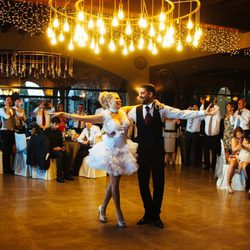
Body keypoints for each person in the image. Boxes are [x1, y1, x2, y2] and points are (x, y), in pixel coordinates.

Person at [127, 83, 217, 229]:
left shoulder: (162, 109)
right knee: (142, 183)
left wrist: (203, 113)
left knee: (158, 183)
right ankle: (148, 212)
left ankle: (155, 215)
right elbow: (122, 120)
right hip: (142, 152)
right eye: (140, 93)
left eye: (143, 92)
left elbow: (182, 113)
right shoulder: (134, 111)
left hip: (157, 152)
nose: (140, 95)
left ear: (150, 94)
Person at [54, 92, 138, 228]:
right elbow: (82, 117)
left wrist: (154, 103)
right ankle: (119, 213)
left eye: (119, 98)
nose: (120, 100)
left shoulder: (123, 110)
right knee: (115, 184)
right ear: (108, 102)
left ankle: (102, 207)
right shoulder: (104, 115)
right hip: (111, 151)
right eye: (116, 99)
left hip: (123, 150)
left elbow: (139, 105)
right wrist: (65, 114)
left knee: (114, 182)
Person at [45, 116, 74, 183]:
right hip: (50, 150)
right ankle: (59, 176)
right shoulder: (46, 132)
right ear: (51, 123)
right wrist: (54, 148)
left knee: (67, 154)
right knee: (60, 155)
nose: (57, 126)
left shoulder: (59, 132)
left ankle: (67, 174)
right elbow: (45, 145)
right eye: (55, 124)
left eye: (58, 124)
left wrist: (62, 147)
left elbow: (60, 142)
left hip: (58, 149)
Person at [226, 127, 250, 194]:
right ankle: (228, 185)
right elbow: (233, 151)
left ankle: (248, 185)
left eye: (240, 134)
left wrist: (244, 146)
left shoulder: (246, 138)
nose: (239, 135)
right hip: (235, 156)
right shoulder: (234, 139)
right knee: (233, 163)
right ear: (235, 135)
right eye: (237, 134)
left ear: (242, 133)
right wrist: (239, 146)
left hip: (244, 156)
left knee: (245, 164)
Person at [201, 97, 222, 171]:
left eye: (212, 109)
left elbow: (218, 109)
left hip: (214, 137)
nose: (211, 110)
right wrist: (203, 105)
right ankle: (206, 165)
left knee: (214, 152)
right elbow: (201, 112)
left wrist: (214, 103)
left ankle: (213, 166)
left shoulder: (218, 116)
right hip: (207, 137)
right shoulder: (207, 116)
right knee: (206, 152)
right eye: (210, 109)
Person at [0, 96, 16, 174]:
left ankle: (9, 168)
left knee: (10, 150)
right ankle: (5, 168)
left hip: (11, 131)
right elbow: (7, 116)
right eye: (7, 100)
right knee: (5, 150)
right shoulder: (1, 109)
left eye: (10, 100)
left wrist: (18, 106)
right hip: (4, 131)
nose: (9, 101)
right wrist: (7, 107)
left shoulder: (13, 110)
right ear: (4, 102)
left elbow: (16, 116)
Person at [185, 102, 203, 167]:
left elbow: (202, 113)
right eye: (193, 106)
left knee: (196, 149)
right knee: (187, 148)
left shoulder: (199, 115)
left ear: (197, 108)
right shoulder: (189, 113)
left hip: (195, 134)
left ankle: (196, 163)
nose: (194, 107)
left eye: (195, 107)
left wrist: (202, 105)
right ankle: (187, 162)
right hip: (188, 133)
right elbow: (184, 114)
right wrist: (189, 109)